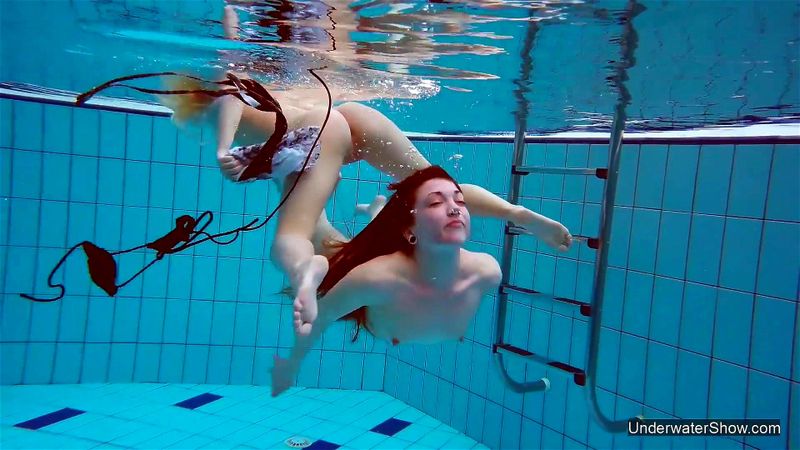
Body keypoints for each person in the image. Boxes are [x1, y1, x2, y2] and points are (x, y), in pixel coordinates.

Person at [164, 5, 573, 397]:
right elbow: (321, 314)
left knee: (389, 184)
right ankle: (273, 135)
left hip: (323, 127)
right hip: (325, 128)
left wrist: (293, 362)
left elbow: (321, 315)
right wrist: (520, 215)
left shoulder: (383, 276)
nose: (453, 207)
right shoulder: (431, 273)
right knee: (309, 219)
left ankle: (259, 104)